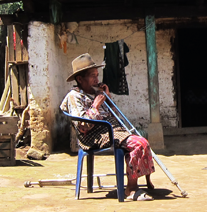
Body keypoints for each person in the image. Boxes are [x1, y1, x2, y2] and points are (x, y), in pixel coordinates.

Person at [60, 53, 155, 201]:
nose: (97, 80)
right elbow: (83, 126)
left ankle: (141, 181)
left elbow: (114, 115)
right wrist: (96, 105)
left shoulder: (97, 92)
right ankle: (131, 190)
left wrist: (108, 98)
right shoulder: (74, 96)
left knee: (142, 139)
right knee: (139, 144)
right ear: (80, 79)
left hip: (113, 130)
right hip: (96, 135)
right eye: (92, 76)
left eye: (97, 75)